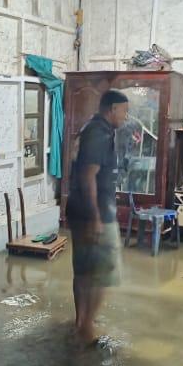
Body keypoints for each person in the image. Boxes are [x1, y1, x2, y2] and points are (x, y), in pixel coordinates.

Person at [68, 90, 130, 346]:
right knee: (102, 273)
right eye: (124, 111)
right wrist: (95, 217)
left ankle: (82, 322)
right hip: (96, 214)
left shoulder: (93, 129)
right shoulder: (99, 133)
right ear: (112, 109)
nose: (126, 116)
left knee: (84, 270)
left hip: (82, 211)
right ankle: (86, 327)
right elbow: (87, 176)